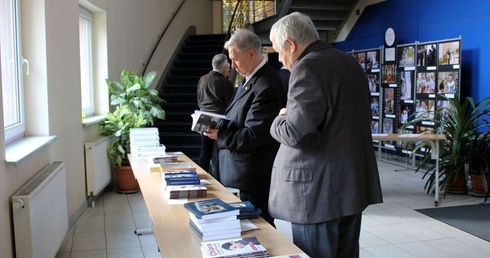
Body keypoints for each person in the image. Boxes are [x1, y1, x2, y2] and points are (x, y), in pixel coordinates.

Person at [268, 12, 383, 258]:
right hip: (350, 187)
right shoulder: (348, 62)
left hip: (316, 195)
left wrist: (279, 118)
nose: (280, 60)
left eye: (279, 51)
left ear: (291, 44)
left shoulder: (307, 67)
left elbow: (295, 132)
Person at [203, 29, 284, 226]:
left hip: (251, 178)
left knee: (259, 228)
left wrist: (220, 134)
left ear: (250, 54)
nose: (232, 66)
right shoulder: (250, 79)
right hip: (237, 172)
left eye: (235, 59)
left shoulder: (266, 84)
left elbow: (253, 136)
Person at [196, 53, 234, 177]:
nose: (229, 68)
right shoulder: (225, 83)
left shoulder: (202, 79)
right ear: (224, 67)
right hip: (219, 120)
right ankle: (218, 181)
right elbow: (231, 105)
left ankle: (201, 178)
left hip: (203, 119)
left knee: (205, 152)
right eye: (228, 65)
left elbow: (199, 99)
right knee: (219, 153)